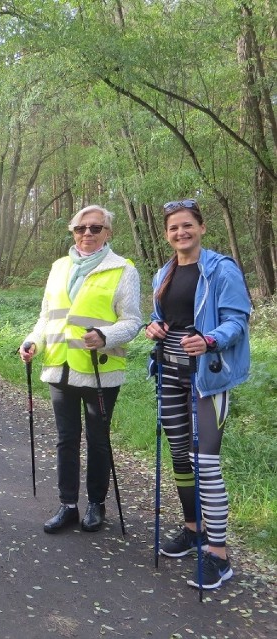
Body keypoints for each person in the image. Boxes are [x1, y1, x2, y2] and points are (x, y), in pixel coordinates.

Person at [145, 198, 250, 590]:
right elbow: (162, 319)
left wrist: (209, 340)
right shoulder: (164, 273)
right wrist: (151, 329)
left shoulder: (221, 269)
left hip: (207, 378)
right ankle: (193, 531)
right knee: (179, 456)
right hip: (169, 373)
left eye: (187, 226)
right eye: (174, 228)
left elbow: (237, 320)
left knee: (205, 462)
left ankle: (219, 555)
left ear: (201, 228)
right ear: (167, 234)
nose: (181, 233)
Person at [19, 205, 141, 535]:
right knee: (66, 439)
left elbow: (132, 322)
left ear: (108, 232)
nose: (87, 233)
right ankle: (68, 505)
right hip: (59, 366)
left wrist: (104, 336)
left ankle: (96, 505)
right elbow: (47, 317)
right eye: (80, 228)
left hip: (100, 369)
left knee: (98, 440)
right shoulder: (59, 267)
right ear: (73, 232)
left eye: (95, 228)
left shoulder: (123, 270)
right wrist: (33, 342)